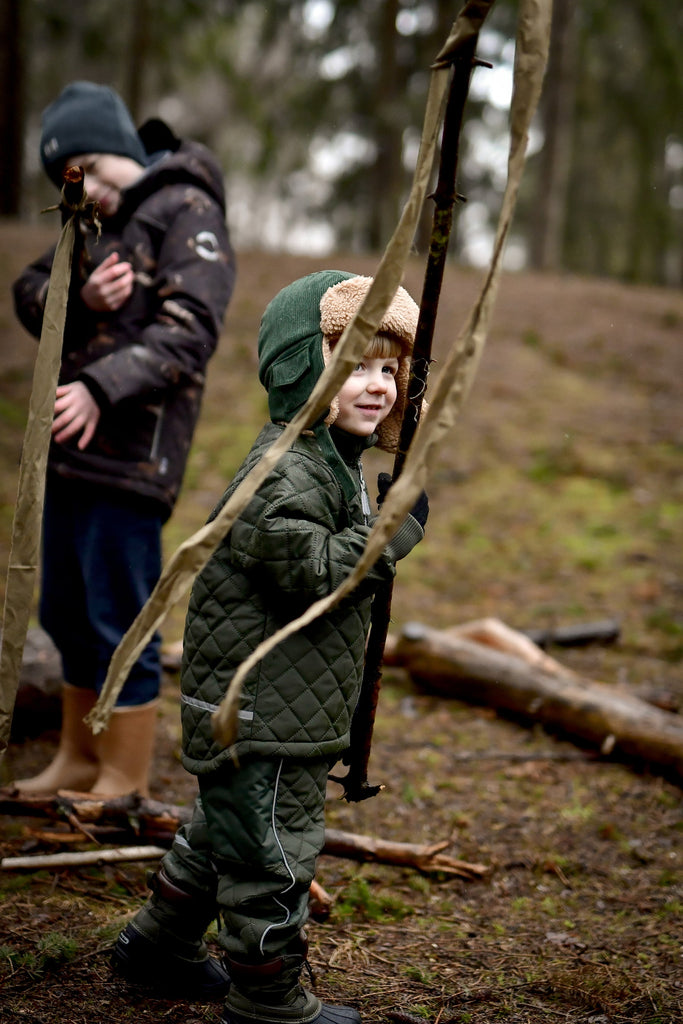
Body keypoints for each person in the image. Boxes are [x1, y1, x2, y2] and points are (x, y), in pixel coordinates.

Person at [110, 270, 429, 1022]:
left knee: (226, 827)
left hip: (278, 704)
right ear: (297, 368)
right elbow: (311, 574)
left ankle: (158, 945)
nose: (377, 384)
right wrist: (384, 537)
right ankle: (266, 997)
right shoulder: (283, 470)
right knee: (271, 851)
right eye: (353, 363)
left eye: (389, 368)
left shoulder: (330, 461)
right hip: (260, 712)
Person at [11, 81, 236, 798]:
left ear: (128, 149)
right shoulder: (85, 227)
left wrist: (102, 385)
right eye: (72, 180)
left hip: (133, 460)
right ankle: (79, 758)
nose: (91, 190)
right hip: (71, 458)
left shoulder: (186, 209)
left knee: (119, 614)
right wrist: (79, 298)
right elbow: (25, 290)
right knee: (66, 612)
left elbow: (191, 329)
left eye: (98, 169)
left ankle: (124, 773)